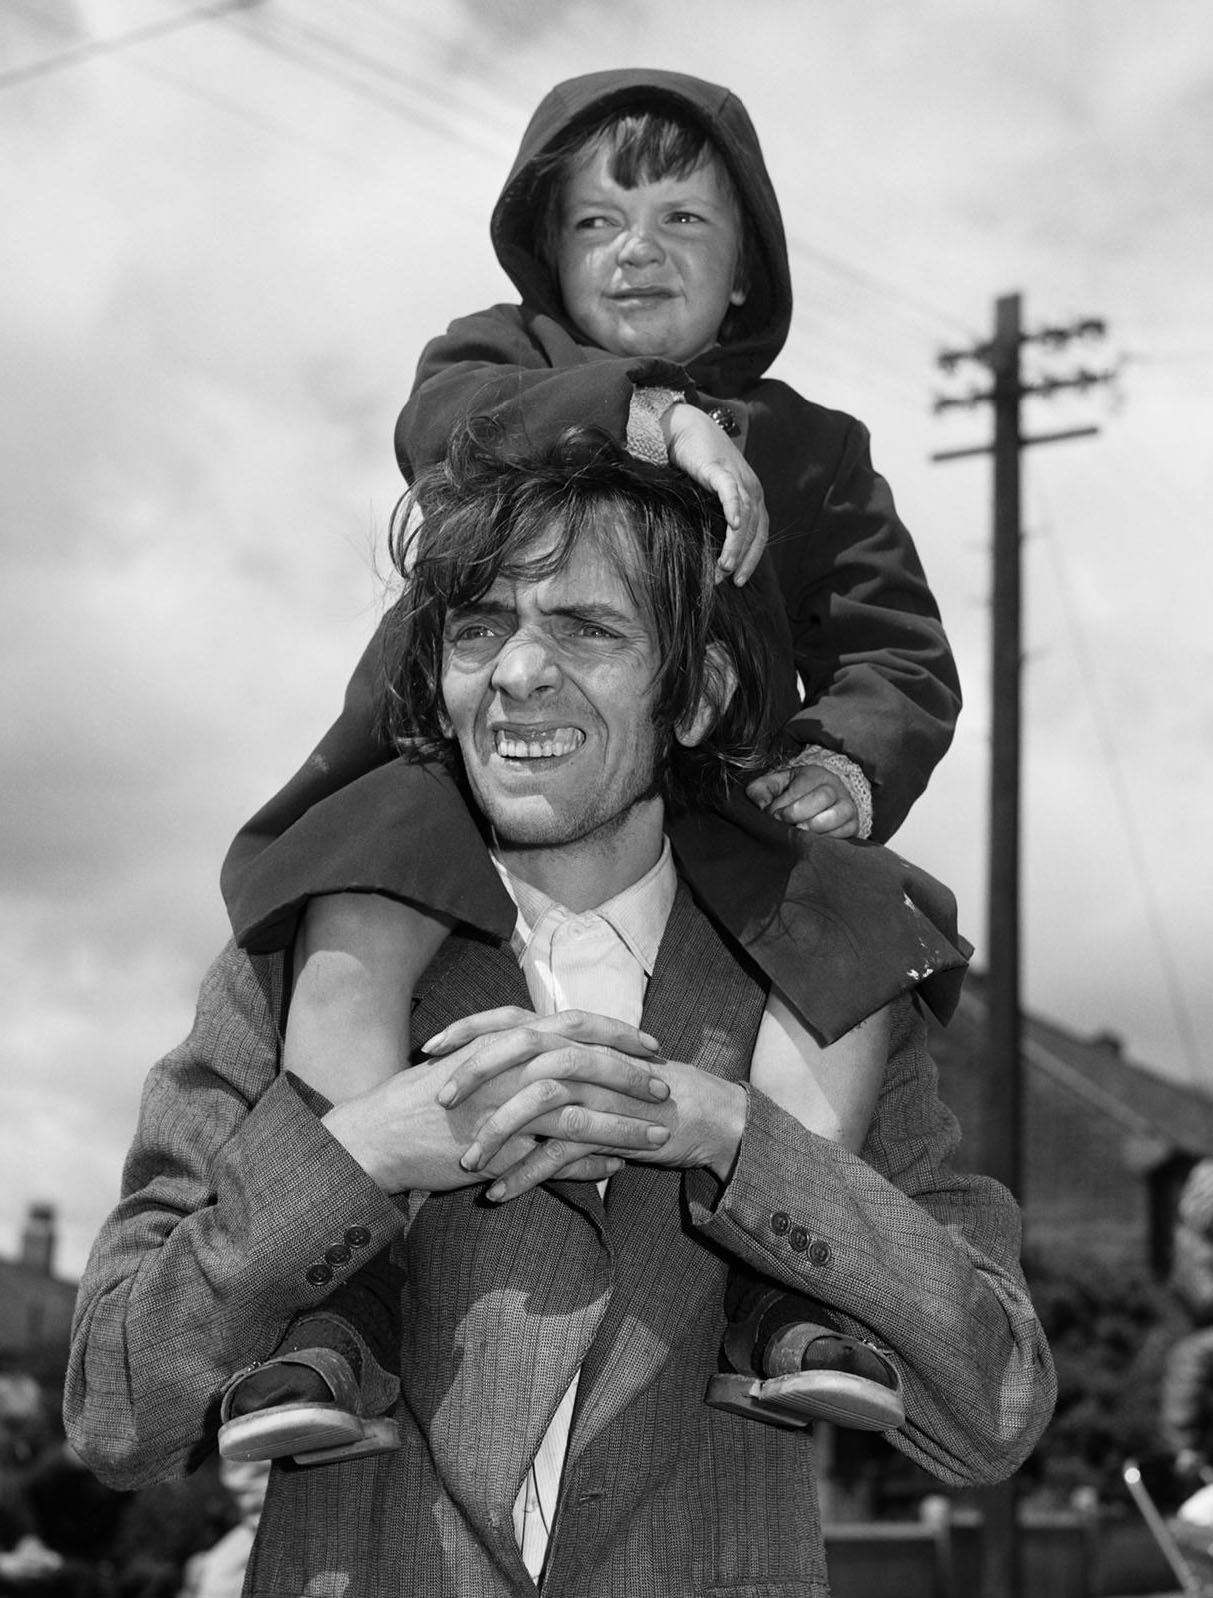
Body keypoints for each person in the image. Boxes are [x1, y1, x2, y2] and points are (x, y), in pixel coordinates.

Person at [66, 427, 1053, 1596]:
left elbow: (993, 1403)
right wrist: (357, 1153)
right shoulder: (292, 967)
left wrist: (739, 1140)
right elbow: (116, 1406)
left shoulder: (824, 999)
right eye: (478, 627)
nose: (519, 671)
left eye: (587, 627)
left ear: (697, 695)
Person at [213, 68, 965, 1455]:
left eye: (684, 217)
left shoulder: (812, 451)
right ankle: (338, 1308)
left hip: (717, 786)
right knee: (354, 918)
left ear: (750, 271)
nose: (638, 248)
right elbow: (447, 431)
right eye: (599, 219)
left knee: (859, 923)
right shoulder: (486, 367)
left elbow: (896, 652)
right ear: (544, 249)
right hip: (438, 764)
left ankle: (794, 1293)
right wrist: (647, 415)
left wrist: (848, 768)